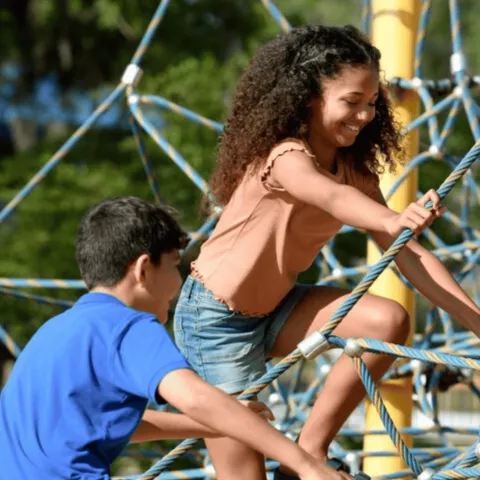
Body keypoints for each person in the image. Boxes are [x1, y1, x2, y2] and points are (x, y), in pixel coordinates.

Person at [173, 24, 480, 480]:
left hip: (275, 308)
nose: (364, 115)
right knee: (243, 475)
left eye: (372, 103)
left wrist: (477, 324)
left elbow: (410, 257)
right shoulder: (284, 156)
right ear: (309, 98)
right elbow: (330, 198)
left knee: (388, 320)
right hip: (214, 321)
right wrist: (391, 219)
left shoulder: (354, 171)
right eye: (351, 102)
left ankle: (309, 453)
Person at [0, 196, 346, 480]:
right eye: (175, 264)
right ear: (144, 269)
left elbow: (118, 425)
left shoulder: (55, 331)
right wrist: (305, 463)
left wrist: (213, 423)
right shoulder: (128, 326)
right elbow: (194, 396)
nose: (179, 282)